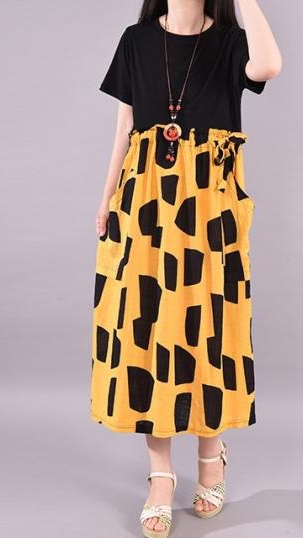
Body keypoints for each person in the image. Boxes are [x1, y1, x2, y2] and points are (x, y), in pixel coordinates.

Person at [90, 1, 281, 536]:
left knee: (208, 329)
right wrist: (106, 199)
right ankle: (160, 477)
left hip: (210, 205)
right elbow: (125, 127)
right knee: (149, 331)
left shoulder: (229, 42)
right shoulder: (136, 41)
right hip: (146, 203)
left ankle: (210, 459)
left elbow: (268, 66)